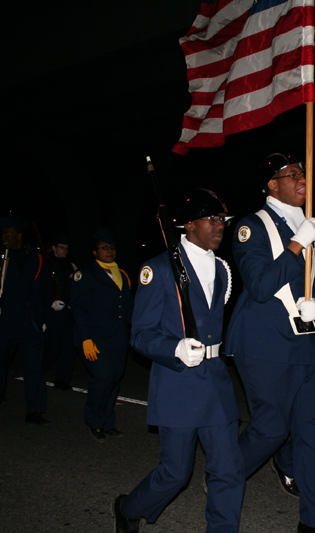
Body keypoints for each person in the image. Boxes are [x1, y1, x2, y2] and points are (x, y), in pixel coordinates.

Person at [114, 190, 243, 533]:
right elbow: (140, 334)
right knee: (176, 473)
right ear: (189, 225)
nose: (220, 227)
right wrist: (174, 348)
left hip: (216, 382)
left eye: (223, 221)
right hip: (179, 384)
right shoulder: (158, 268)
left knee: (229, 469)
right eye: (211, 219)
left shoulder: (222, 268)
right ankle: (129, 507)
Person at [226, 153, 315, 533]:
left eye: (304, 172)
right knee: (271, 429)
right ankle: (226, 476)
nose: (302, 178)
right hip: (265, 343)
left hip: (307, 344)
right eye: (293, 174)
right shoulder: (251, 226)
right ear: (273, 185)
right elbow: (259, 286)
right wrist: (295, 245)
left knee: (314, 432)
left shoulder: (308, 226)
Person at [71, 228, 133, 441]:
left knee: (114, 380)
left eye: (112, 247)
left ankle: (108, 422)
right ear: (94, 252)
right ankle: (94, 420)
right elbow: (78, 309)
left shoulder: (121, 274)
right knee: (102, 378)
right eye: (104, 248)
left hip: (118, 338)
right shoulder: (85, 275)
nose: (109, 251)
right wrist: (85, 339)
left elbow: (126, 307)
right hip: (94, 338)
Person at [0, 215, 48, 425]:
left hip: (29, 320)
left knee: (34, 367)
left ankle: (34, 410)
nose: (3, 237)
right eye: (2, 234)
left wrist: (42, 318)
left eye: (7, 234)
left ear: (18, 236)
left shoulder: (35, 259)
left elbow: (39, 290)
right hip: (6, 319)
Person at [43, 233, 77, 390]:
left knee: (68, 348)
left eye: (66, 248)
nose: (65, 251)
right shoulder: (46, 265)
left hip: (68, 313)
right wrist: (50, 302)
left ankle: (62, 380)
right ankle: (40, 369)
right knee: (52, 346)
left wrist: (73, 303)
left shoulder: (71, 266)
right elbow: (38, 289)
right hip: (52, 313)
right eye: (61, 248)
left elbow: (74, 288)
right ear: (54, 248)